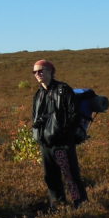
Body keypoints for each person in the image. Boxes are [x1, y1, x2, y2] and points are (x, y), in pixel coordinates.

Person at [31, 60, 87, 209]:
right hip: (46, 144)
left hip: (61, 144)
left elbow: (74, 116)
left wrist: (63, 135)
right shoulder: (39, 93)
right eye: (35, 72)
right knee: (51, 178)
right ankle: (58, 205)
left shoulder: (63, 90)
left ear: (50, 71)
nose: (38, 74)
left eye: (41, 71)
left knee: (70, 177)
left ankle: (80, 205)